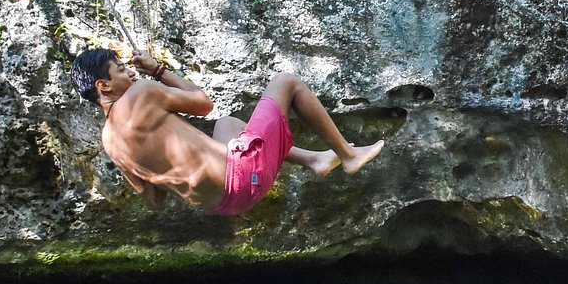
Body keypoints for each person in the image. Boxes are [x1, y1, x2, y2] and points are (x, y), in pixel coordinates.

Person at [69, 47, 384, 216]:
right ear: (103, 85)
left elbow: (153, 200)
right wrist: (157, 71)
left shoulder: (109, 142)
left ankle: (314, 160)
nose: (130, 71)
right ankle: (349, 155)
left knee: (229, 125)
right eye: (121, 69)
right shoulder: (139, 94)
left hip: (221, 205)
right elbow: (203, 103)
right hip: (242, 176)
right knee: (286, 82)